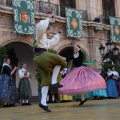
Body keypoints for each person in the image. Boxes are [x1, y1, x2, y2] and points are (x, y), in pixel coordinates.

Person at [33, 14, 67, 112]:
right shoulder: (40, 33)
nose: (49, 32)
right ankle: (54, 81)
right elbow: (40, 25)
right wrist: (48, 18)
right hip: (40, 56)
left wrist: (58, 34)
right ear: (46, 30)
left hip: (41, 59)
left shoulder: (45, 40)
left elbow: (53, 41)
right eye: (49, 30)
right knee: (60, 60)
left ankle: (43, 102)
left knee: (45, 81)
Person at [58, 41, 106, 106]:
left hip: (81, 70)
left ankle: (83, 99)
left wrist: (74, 44)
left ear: (77, 49)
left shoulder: (80, 54)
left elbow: (79, 50)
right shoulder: (73, 55)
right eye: (74, 49)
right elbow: (66, 58)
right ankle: (83, 99)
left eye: (75, 49)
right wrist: (59, 56)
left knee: (82, 84)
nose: (74, 49)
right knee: (78, 85)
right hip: (75, 71)